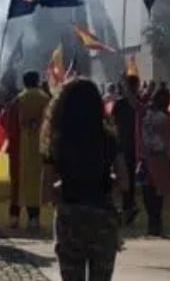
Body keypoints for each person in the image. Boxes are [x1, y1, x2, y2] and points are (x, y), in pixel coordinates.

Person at [42, 78, 130, 280]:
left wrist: (62, 188)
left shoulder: (57, 141)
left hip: (69, 217)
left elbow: (45, 193)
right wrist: (107, 184)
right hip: (103, 217)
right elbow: (124, 181)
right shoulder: (109, 138)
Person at [7, 71, 50, 229]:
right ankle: (34, 218)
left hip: (20, 147)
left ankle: (14, 217)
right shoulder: (45, 99)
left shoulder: (18, 100)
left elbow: (9, 124)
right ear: (37, 81)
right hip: (40, 146)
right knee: (36, 183)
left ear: (24, 82)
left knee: (17, 182)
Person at [140, 85, 170, 236]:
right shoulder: (167, 116)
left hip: (148, 157)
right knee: (158, 192)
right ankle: (156, 221)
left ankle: (152, 221)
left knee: (148, 191)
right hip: (161, 157)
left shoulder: (146, 114)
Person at [110, 73, 142, 225]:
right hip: (133, 145)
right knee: (128, 177)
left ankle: (127, 207)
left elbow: (113, 123)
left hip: (122, 145)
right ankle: (128, 206)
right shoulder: (138, 103)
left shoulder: (120, 104)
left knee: (123, 177)